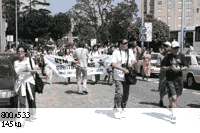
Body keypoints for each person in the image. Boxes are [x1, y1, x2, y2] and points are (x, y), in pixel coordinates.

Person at [161, 40, 188, 123]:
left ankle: (171, 107)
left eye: (177, 48)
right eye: (175, 48)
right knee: (174, 97)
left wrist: (179, 69)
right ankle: (173, 115)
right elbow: (162, 67)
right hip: (170, 79)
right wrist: (169, 68)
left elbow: (186, 66)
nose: (176, 50)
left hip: (179, 80)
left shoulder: (182, 56)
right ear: (171, 48)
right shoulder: (167, 57)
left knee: (176, 96)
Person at [112, 39, 137, 119]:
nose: (126, 44)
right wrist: (123, 69)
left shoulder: (129, 51)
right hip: (118, 76)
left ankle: (123, 109)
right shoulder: (116, 52)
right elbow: (113, 64)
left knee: (126, 94)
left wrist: (131, 63)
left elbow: (134, 60)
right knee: (119, 93)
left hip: (127, 76)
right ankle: (117, 110)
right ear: (120, 44)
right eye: (125, 43)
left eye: (127, 43)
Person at [14, 45, 38, 127]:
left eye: (21, 51)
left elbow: (35, 71)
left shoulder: (30, 60)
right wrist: (18, 73)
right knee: (21, 101)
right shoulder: (16, 62)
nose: (20, 53)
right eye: (18, 51)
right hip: (21, 83)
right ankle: (21, 119)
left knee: (31, 99)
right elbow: (16, 74)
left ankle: (32, 114)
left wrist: (29, 70)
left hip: (30, 82)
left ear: (24, 53)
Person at [157, 42, 171, 107]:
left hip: (170, 74)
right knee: (162, 88)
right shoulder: (160, 55)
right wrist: (163, 65)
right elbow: (157, 64)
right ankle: (161, 100)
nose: (165, 48)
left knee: (170, 88)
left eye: (167, 46)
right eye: (164, 46)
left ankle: (170, 102)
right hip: (163, 73)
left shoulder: (171, 55)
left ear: (170, 47)